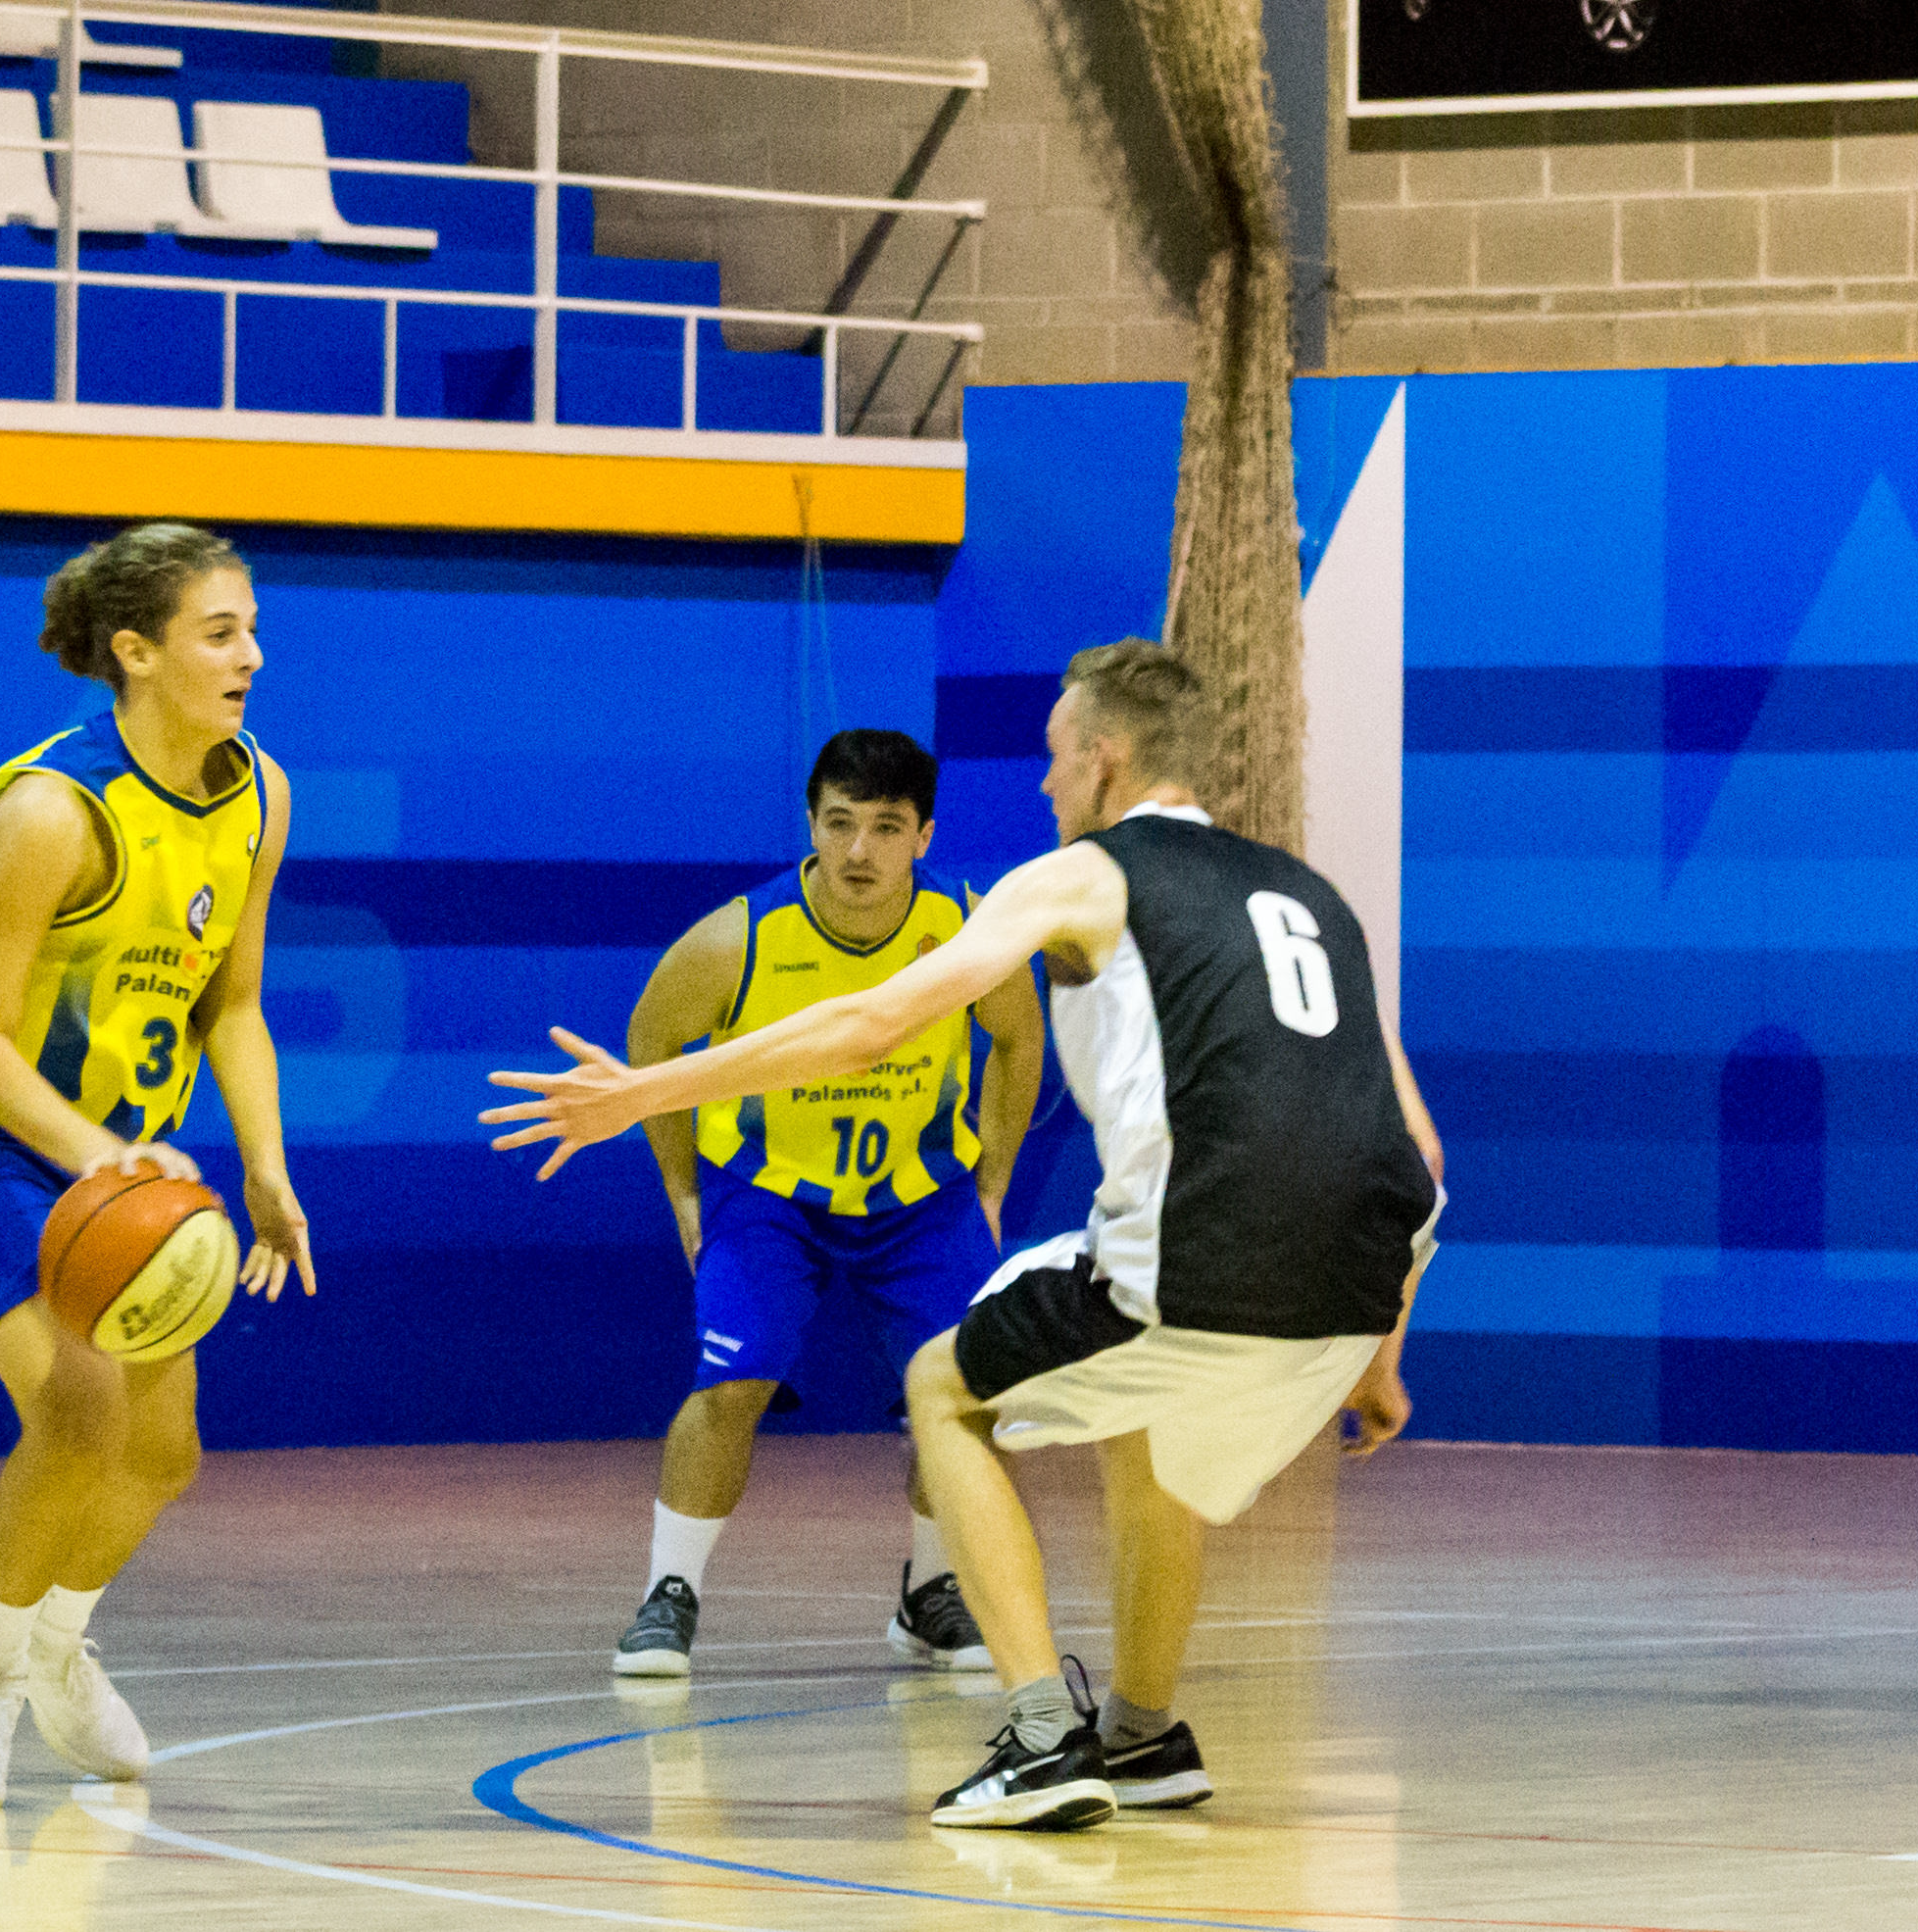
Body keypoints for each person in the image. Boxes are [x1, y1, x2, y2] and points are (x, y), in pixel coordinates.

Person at [492, 641, 1442, 1833]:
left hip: (1201, 1252)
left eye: (1055, 758)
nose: (1044, 784)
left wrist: (644, 1093)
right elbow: (1415, 1145)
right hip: (1356, 1292)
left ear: (1106, 760)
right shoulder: (1313, 898)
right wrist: (1380, 1353)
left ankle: (1041, 1737)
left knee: (943, 1386)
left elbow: (871, 1022)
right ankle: (1143, 1736)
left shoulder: (1082, 875)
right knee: (1140, 1424)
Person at [0, 522, 315, 1809]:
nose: (251, 655)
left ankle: (55, 1644)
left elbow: (234, 1004)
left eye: (251, 628)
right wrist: (107, 1160)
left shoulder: (261, 796)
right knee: (78, 1411)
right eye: (219, 633)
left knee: (163, 1452)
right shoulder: (47, 811)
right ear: (135, 651)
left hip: (119, 1165)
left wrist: (266, 1166)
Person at [608, 728, 1043, 1679]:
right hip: (768, 1193)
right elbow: (650, 1045)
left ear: (924, 836)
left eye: (885, 827)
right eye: (839, 822)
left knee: (970, 1392)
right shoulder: (740, 938)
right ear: (810, 823)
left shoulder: (967, 929)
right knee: (734, 1381)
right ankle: (667, 1592)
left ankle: (932, 1593)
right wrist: (685, 1193)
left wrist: (993, 1182)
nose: (858, 850)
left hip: (921, 1196)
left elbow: (1018, 1036)